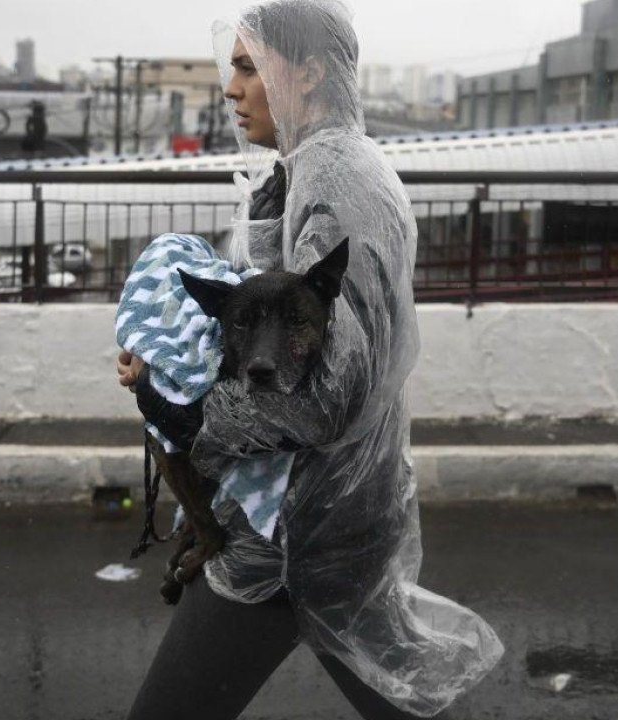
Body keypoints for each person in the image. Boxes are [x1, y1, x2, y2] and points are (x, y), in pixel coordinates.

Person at [116, 2, 504, 718]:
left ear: (311, 73)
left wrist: (191, 417)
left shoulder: (338, 184)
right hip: (327, 521)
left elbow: (333, 392)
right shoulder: (305, 175)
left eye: (247, 66)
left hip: (296, 533)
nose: (230, 88)